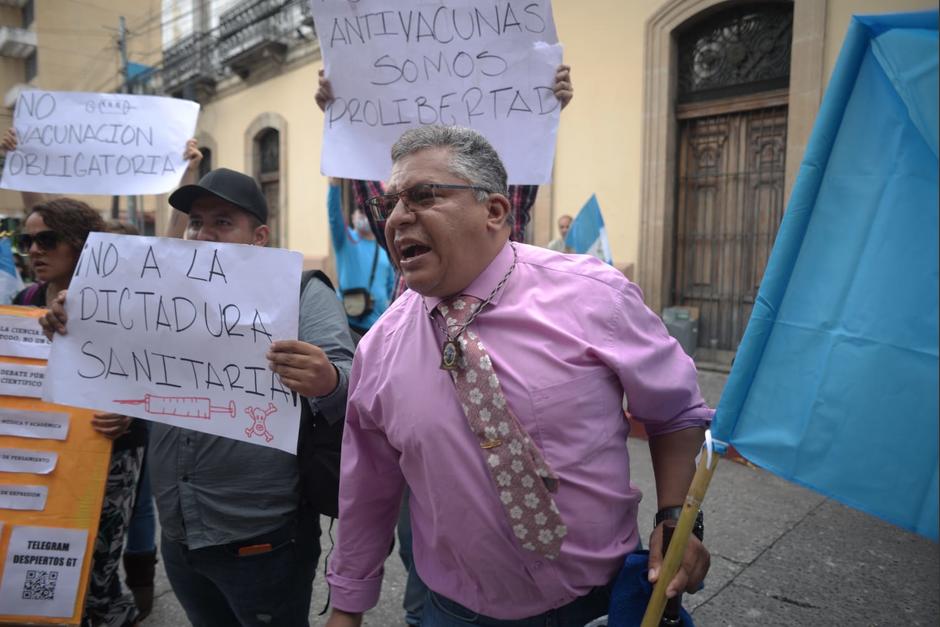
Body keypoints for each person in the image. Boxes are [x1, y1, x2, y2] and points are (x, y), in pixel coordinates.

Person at [323, 126, 713, 627]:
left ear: (495, 212)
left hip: (604, 600)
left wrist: (677, 519)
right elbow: (369, 486)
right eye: (391, 204)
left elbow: (676, 412)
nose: (398, 217)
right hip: (457, 612)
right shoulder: (377, 350)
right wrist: (348, 608)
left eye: (422, 196)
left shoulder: (596, 297)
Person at [41, 167, 356, 627]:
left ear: (259, 236)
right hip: (179, 532)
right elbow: (145, 381)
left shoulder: (300, 291)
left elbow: (350, 386)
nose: (202, 233)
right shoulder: (156, 297)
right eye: (195, 222)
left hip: (261, 535)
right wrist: (71, 328)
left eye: (223, 222)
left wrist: (325, 378)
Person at [13, 199, 147, 627]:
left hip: (109, 456)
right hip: (34, 457)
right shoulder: (25, 298)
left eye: (46, 239)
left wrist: (128, 414)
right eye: (26, 240)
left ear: (79, 243)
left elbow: (157, 380)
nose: (33, 249)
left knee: (95, 574)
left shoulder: (122, 304)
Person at [327, 178, 395, 337]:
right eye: (359, 211)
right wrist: (334, 186)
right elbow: (334, 215)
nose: (363, 216)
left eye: (366, 211)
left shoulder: (386, 246)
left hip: (378, 327)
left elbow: (392, 289)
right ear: (352, 217)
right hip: (347, 324)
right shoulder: (345, 240)